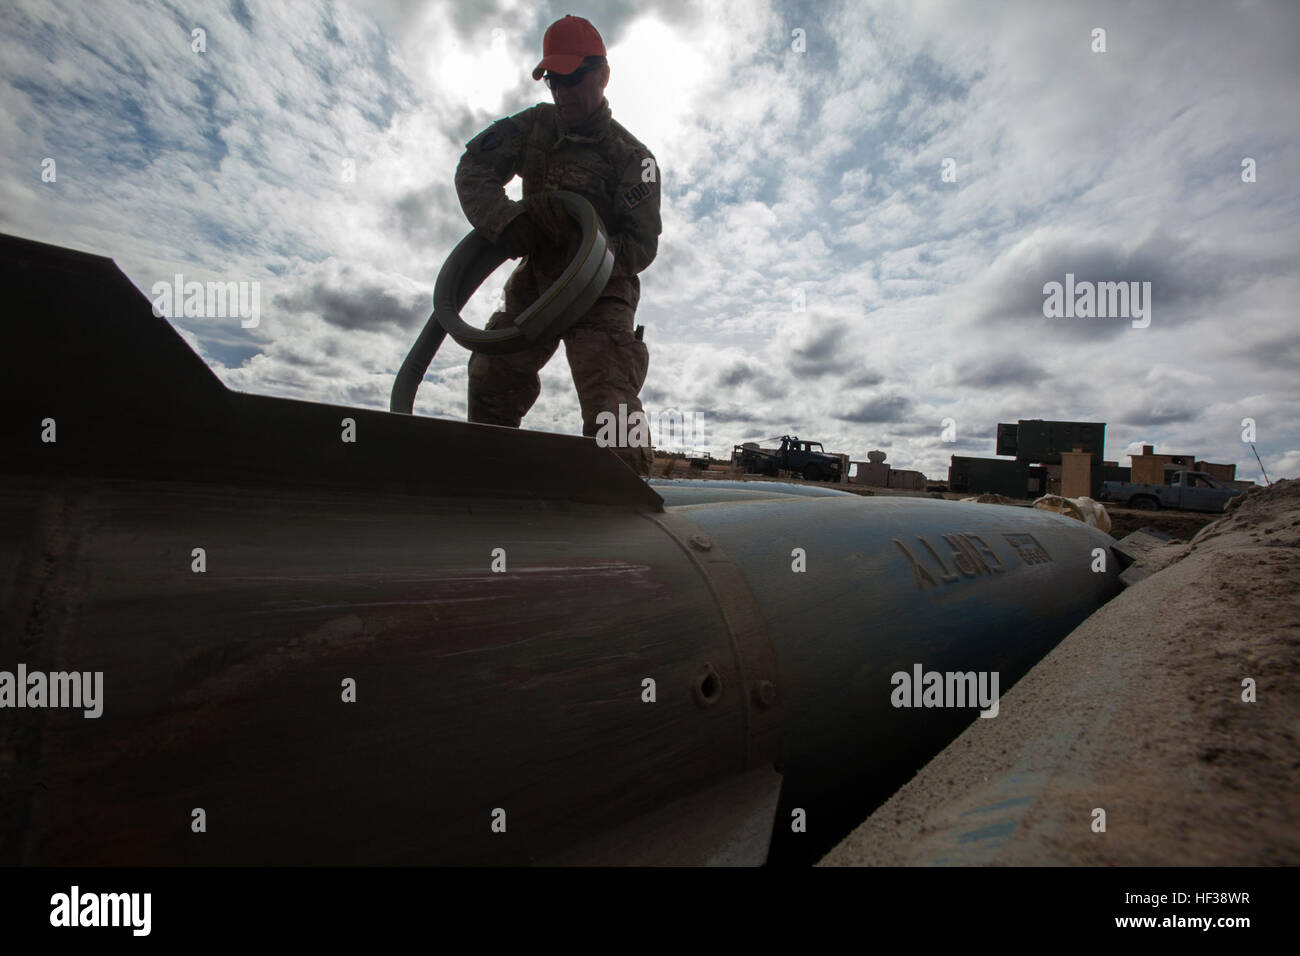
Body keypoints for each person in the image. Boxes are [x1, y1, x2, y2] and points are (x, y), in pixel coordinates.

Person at [455, 14, 661, 476]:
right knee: (491, 372)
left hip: (603, 293)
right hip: (538, 282)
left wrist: (584, 246)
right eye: (553, 80)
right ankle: (488, 482)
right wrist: (507, 221)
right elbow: (474, 169)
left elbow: (641, 245)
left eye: (573, 78)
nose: (562, 91)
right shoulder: (534, 127)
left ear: (602, 75)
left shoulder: (634, 159)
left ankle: (628, 511)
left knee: (613, 413)